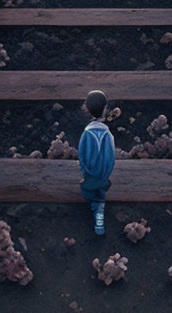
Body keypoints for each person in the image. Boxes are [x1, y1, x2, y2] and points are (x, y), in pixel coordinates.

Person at [78, 89, 115, 236]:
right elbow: (110, 157)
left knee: (92, 196)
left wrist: (85, 174)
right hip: (103, 176)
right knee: (100, 200)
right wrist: (105, 174)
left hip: (90, 177)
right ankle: (99, 223)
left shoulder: (87, 133)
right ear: (105, 109)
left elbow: (83, 156)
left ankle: (97, 218)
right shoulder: (107, 134)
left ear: (87, 109)